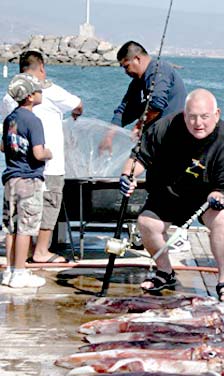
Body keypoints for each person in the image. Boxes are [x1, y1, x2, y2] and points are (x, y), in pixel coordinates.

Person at [119, 88, 224, 304]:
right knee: (146, 223)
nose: (198, 123)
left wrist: (219, 195)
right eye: (192, 116)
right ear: (184, 114)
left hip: (206, 198)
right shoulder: (165, 127)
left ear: (217, 114)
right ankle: (165, 272)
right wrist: (127, 175)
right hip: (168, 192)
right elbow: (139, 157)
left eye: (205, 117)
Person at [1, 50, 83, 263]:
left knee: (16, 218)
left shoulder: (9, 97)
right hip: (47, 167)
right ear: (42, 68)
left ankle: (19, 259)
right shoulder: (49, 92)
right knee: (49, 205)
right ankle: (41, 251)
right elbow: (77, 104)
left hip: (16, 169)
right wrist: (48, 152)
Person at [1, 73, 53, 288]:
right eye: (39, 90)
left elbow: (3, 146)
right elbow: (38, 153)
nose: (42, 93)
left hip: (11, 178)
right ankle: (21, 273)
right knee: (26, 228)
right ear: (30, 96)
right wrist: (50, 153)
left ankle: (11, 270)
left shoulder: (10, 118)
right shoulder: (33, 120)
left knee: (11, 227)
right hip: (29, 179)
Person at [99, 40, 187, 150]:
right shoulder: (137, 82)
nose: (126, 72)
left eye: (126, 66)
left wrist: (138, 126)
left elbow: (156, 105)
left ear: (137, 59)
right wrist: (109, 136)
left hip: (172, 138)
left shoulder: (159, 70)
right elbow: (124, 110)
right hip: (152, 141)